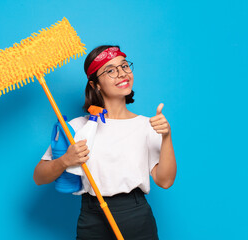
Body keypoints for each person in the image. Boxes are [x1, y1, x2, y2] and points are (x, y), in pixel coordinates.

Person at [33, 45, 177, 240]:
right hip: (92, 217)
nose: (121, 74)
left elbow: (165, 181)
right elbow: (39, 177)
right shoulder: (76, 128)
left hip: (136, 216)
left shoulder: (147, 125)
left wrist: (166, 136)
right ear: (95, 85)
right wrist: (65, 160)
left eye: (124, 66)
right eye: (110, 70)